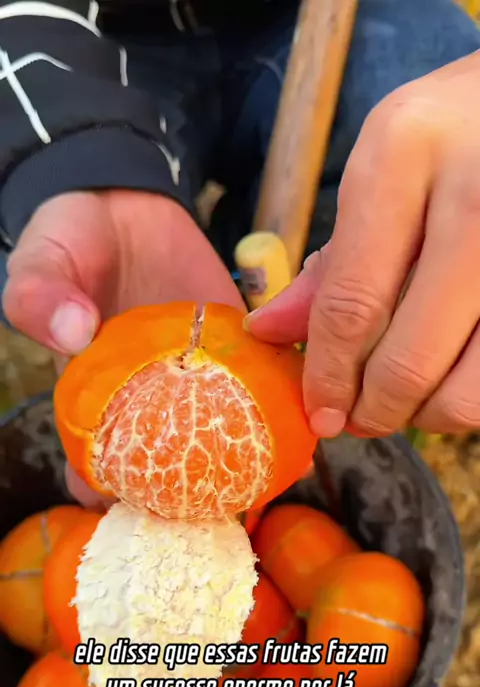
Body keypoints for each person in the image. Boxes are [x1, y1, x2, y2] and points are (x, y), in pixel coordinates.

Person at [1, 1, 480, 505]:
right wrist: (61, 156)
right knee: (34, 206)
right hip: (86, 32)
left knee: (423, 72)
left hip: (298, 17)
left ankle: (278, 298)